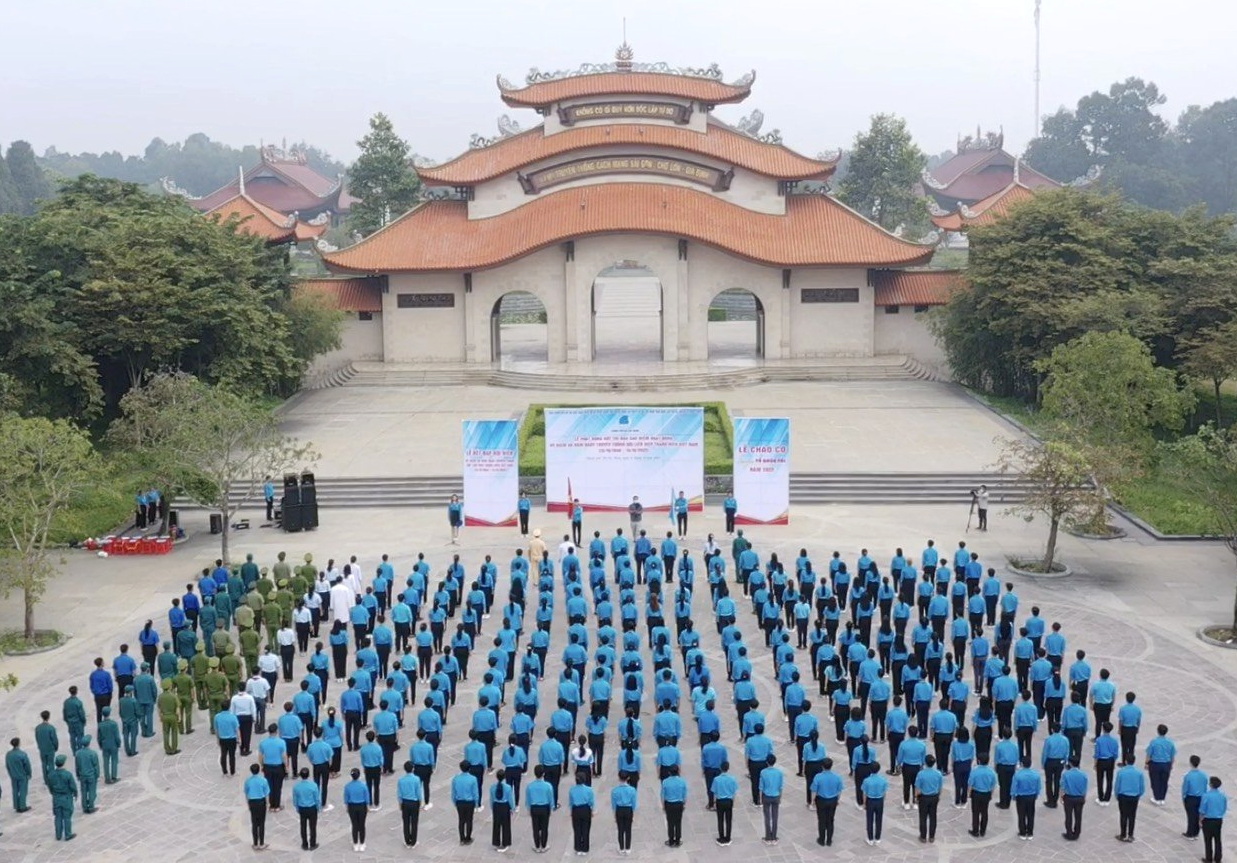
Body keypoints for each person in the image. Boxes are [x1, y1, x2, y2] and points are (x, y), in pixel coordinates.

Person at [810, 757, 844, 846]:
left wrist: (812, 801)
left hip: (821, 800)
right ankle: (829, 840)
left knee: (821, 820)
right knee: (830, 820)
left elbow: (814, 790)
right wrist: (838, 800)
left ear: (822, 766)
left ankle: (821, 839)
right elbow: (839, 790)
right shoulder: (837, 777)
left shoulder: (818, 777)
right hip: (832, 800)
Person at [47, 753, 77, 841]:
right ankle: (68, 834)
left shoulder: (51, 775)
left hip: (56, 797)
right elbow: (73, 786)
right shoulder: (67, 774)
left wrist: (53, 793)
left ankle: (58, 834)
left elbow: (50, 787)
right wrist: (75, 794)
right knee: (67, 817)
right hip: (66, 797)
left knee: (58, 817)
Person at [1115, 756, 1145, 842]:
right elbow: (1142, 787)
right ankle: (1131, 835)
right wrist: (1139, 794)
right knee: (1132, 815)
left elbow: (1117, 785)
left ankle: (1123, 834)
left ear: (1126, 761)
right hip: (1134, 797)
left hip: (1123, 796)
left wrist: (1117, 795)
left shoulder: (1121, 772)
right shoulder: (1139, 773)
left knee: (1123, 815)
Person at [1145, 723, 1176, 806]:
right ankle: (1162, 798)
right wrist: (1171, 764)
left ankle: (1156, 797)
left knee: (1155, 780)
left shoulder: (1154, 742)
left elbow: (1149, 754)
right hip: (1166, 763)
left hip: (1155, 763)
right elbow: (1172, 755)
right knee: (1164, 781)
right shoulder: (1170, 743)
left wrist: (1146, 763)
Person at [527, 764, 554, 853]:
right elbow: (551, 798)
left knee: (535, 827)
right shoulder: (548, 786)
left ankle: (537, 845)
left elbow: (528, 799)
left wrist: (528, 809)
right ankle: (544, 845)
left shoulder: (530, 786)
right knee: (544, 827)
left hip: (534, 808)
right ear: (543, 774)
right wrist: (552, 808)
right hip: (545, 808)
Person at [915, 754, 943, 843]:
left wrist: (916, 797)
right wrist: (939, 796)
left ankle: (923, 836)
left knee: (923, 817)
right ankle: (932, 836)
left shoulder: (921, 774)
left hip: (924, 797)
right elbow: (940, 787)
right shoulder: (938, 773)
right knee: (933, 817)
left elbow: (918, 788)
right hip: (934, 796)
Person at [968, 754, 996, 837]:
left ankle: (975, 831)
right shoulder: (991, 772)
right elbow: (993, 785)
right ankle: (983, 830)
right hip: (986, 793)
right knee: (984, 812)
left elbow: (970, 784)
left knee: (975, 812)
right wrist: (991, 794)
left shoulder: (975, 771)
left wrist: (969, 794)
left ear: (978, 761)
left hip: (976, 793)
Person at [293, 767, 321, 850]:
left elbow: (295, 799)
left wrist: (297, 808)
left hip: (302, 808)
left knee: (303, 826)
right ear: (308, 775)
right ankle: (312, 844)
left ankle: (304, 844)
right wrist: (318, 807)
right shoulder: (313, 785)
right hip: (312, 808)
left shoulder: (296, 787)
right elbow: (317, 798)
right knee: (313, 827)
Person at [397, 761, 425, 847]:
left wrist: (400, 803)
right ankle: (413, 841)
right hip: (414, 802)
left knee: (406, 822)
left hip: (405, 802)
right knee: (414, 822)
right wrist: (420, 802)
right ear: (412, 769)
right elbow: (418, 793)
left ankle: (407, 840)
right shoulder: (416, 779)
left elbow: (399, 793)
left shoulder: (401, 780)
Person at [860, 760, 887, 846]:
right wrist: (883, 800)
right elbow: (884, 792)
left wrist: (864, 803)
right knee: (879, 819)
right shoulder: (883, 780)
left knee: (870, 819)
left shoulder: (866, 780)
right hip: (879, 800)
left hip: (870, 801)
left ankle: (870, 838)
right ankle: (878, 838)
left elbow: (864, 793)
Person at [343, 767, 371, 851]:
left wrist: (347, 807)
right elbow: (367, 797)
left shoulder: (347, 786)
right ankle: (362, 843)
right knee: (362, 825)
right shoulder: (363, 785)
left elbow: (346, 798)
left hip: (352, 806)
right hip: (362, 806)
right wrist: (367, 806)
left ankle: (355, 843)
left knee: (354, 825)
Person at [1201, 775, 1227, 863]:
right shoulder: (1222, 796)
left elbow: (1202, 810)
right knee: (1217, 839)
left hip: (1208, 820)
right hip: (1218, 820)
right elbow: (1224, 808)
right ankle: (1218, 858)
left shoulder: (1206, 796)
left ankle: (1209, 858)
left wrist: (1200, 820)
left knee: (1208, 840)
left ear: (1211, 784)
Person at [1182, 754, 1208, 841]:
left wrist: (1184, 797)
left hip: (1191, 798)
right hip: (1201, 797)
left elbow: (1185, 788)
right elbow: (1205, 787)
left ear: (1190, 763)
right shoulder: (1203, 775)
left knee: (1191, 816)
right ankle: (1196, 833)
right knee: (1198, 815)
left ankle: (1190, 833)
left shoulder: (1188, 776)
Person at [1012, 762, 1041, 839]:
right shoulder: (1036, 775)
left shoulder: (1018, 775)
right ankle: (1030, 832)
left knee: (1021, 815)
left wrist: (1013, 795)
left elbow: (1014, 786)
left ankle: (1022, 832)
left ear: (1022, 764)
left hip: (1021, 797)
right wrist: (1037, 794)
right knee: (1031, 815)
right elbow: (1038, 786)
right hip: (1031, 796)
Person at [72, 734, 100, 814]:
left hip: (82, 775)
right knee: (91, 791)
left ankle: (84, 807)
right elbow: (96, 766)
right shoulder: (93, 753)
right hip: (91, 775)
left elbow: (77, 766)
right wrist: (97, 775)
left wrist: (78, 775)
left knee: (83, 791)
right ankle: (91, 806)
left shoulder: (78, 753)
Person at [661, 763, 687, 847]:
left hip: (669, 804)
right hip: (679, 804)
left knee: (670, 822)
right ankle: (678, 840)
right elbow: (685, 795)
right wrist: (684, 804)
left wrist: (663, 806)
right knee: (678, 822)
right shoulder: (682, 781)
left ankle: (671, 840)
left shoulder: (665, 782)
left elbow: (662, 795)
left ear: (669, 772)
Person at [612, 772, 638, 854]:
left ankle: (621, 848)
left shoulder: (615, 791)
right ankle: (628, 848)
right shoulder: (632, 790)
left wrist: (614, 815)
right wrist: (633, 814)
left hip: (619, 809)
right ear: (628, 778)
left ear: (619, 778)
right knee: (628, 829)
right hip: (628, 809)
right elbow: (634, 803)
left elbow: (614, 805)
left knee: (620, 830)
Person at [570, 771, 595, 854]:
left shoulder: (572, 790)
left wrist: (571, 812)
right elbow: (591, 802)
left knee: (577, 829)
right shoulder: (589, 790)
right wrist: (592, 811)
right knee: (586, 829)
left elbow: (571, 802)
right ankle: (585, 848)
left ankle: (577, 848)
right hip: (585, 809)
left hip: (576, 809)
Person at [7, 738, 33, 812]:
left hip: (13, 775)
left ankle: (16, 805)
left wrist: (10, 773)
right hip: (22, 775)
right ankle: (22, 806)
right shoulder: (22, 754)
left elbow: (8, 766)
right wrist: (29, 773)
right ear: (18, 743)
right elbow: (27, 766)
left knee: (15, 790)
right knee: (23, 790)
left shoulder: (8, 754)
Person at [491, 769, 513, 851]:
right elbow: (510, 799)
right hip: (504, 806)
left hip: (496, 805)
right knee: (506, 825)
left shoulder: (493, 787)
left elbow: (491, 799)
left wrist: (492, 807)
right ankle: (505, 842)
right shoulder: (508, 787)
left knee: (496, 825)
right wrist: (512, 808)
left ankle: (496, 842)